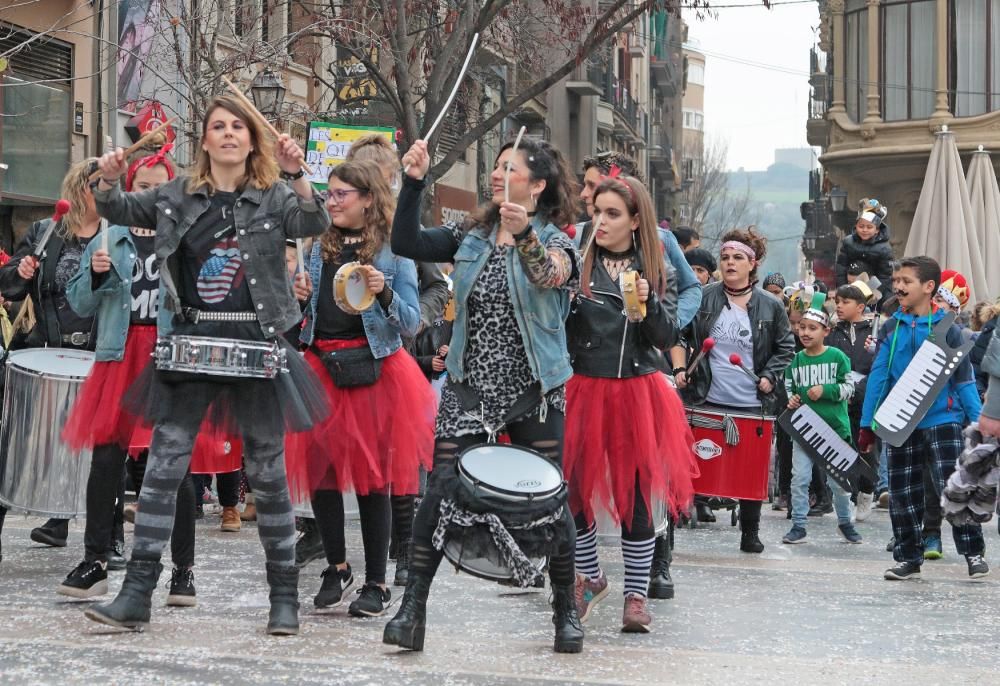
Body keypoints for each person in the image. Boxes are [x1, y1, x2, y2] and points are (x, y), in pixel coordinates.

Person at [84, 94, 330, 634]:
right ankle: (137, 594)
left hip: (255, 338)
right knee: (163, 467)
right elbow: (117, 209)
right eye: (218, 126)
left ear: (250, 139)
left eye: (237, 126)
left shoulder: (273, 196)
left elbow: (314, 217)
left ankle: (283, 600)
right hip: (193, 338)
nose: (227, 134)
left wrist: (298, 172)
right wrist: (108, 178)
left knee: (267, 473)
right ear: (206, 139)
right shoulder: (175, 195)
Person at [388, 136, 585, 653]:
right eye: (496, 167)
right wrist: (412, 182)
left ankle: (565, 607)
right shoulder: (470, 236)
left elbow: (551, 275)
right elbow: (406, 241)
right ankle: (412, 609)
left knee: (548, 498)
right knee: (438, 491)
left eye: (510, 168)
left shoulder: (557, 239)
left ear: (538, 185)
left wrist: (525, 239)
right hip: (468, 384)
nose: (498, 175)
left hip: (534, 389)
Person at [285, 160, 434, 619]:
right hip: (322, 366)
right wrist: (302, 299)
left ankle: (376, 582)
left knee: (375, 481)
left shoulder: (394, 250)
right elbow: (307, 321)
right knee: (322, 475)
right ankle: (337, 566)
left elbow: (411, 321)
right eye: (328, 194)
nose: (331, 202)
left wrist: (384, 291)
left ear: (368, 198)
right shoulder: (318, 245)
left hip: (374, 371)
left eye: (340, 194)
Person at [56, 148, 198, 603]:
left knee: (174, 463)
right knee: (106, 461)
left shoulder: (184, 235)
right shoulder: (109, 235)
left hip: (166, 355)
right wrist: (95, 277)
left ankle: (183, 572)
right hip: (119, 355)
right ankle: (95, 560)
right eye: (143, 187)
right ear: (130, 189)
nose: (151, 195)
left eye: (160, 187)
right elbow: (79, 302)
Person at [563, 173, 697, 633]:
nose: (599, 221)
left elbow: (665, 337)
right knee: (574, 490)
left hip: (638, 392)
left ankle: (636, 596)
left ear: (636, 220)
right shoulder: (577, 260)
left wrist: (650, 303)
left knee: (637, 496)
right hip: (582, 386)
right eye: (596, 211)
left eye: (612, 214)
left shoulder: (656, 270)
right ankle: (589, 577)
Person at [343, 133, 449, 587]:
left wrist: (418, 321)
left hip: (394, 358)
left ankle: (404, 549)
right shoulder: (332, 232)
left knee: (398, 461)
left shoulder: (401, 236)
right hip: (342, 359)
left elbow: (436, 287)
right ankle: (324, 540)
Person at [0, 159, 117, 552]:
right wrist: (22, 271)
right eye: (94, 185)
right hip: (47, 349)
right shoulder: (45, 232)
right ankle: (38, 521)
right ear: (79, 188)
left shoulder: (116, 236)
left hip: (99, 355)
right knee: (18, 443)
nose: (101, 193)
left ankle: (109, 536)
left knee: (99, 450)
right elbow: (10, 288)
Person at [859, 257, 988, 580]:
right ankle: (908, 557)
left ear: (929, 287)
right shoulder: (891, 326)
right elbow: (879, 377)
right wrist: (867, 424)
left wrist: (979, 424)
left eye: (906, 280)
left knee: (956, 488)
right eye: (896, 279)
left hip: (943, 421)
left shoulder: (951, 331)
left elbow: (965, 381)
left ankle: (973, 552)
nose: (898, 286)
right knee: (903, 492)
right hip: (900, 422)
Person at [674, 227, 795, 553]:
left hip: (751, 400)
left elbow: (786, 347)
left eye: (737, 258)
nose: (730, 263)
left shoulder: (771, 306)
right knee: (693, 465)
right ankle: (674, 524)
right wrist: (680, 368)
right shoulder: (704, 298)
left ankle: (750, 532)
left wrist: (769, 375)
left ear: (752, 264)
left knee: (750, 471)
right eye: (725, 257)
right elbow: (680, 336)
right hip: (705, 395)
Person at [782, 294, 863, 545]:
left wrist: (826, 390)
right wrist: (792, 399)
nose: (805, 333)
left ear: (825, 331)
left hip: (835, 430)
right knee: (800, 478)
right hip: (805, 431)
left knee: (838, 483)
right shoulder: (796, 360)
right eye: (802, 327)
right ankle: (798, 524)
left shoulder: (838, 357)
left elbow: (850, 388)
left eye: (812, 328)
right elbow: (789, 386)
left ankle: (845, 522)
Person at [825, 281, 876, 520]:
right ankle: (851, 495)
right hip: (840, 398)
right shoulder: (835, 332)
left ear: (861, 306)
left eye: (846, 302)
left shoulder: (872, 332)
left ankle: (867, 492)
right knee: (843, 447)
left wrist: (860, 387)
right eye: (837, 302)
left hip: (865, 397)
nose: (840, 306)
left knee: (865, 447)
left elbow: (877, 367)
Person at [835, 198, 893, 288]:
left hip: (875, 290)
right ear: (856, 226)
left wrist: (870, 293)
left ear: (877, 230)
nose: (864, 230)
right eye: (861, 226)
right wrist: (843, 288)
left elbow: (885, 276)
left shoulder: (884, 249)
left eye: (869, 227)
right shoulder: (848, 242)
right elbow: (841, 267)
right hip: (850, 285)